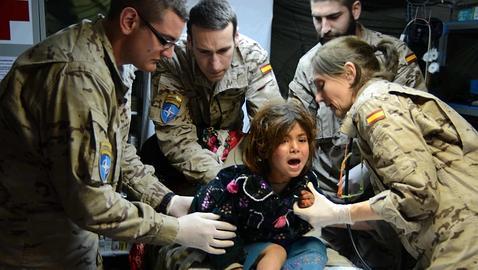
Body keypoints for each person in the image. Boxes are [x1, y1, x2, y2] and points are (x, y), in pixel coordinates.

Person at [0, 0, 238, 269]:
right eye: (165, 40)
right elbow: (91, 203)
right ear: (129, 21)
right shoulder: (77, 77)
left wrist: (168, 201)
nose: (170, 53)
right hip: (32, 251)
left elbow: (117, 152)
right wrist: (176, 230)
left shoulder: (111, 60)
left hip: (69, 241)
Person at [294, 35, 478, 269]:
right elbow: (402, 212)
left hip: (463, 236)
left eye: (321, 85)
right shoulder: (382, 100)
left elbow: (416, 196)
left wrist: (339, 213)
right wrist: (330, 216)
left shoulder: (375, 105)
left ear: (349, 73)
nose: (319, 98)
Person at [288, 0, 426, 268]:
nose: (324, 28)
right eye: (317, 19)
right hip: (327, 200)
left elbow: (416, 134)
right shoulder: (309, 65)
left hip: (381, 204)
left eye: (333, 17)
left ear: (356, 9)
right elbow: (295, 129)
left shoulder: (391, 55)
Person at [148, 0, 282, 195]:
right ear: (190, 42)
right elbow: (177, 140)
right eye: (204, 52)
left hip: (230, 150)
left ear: (236, 38)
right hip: (179, 157)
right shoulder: (173, 60)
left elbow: (272, 125)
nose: (215, 64)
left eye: (223, 51)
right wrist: (225, 182)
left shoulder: (252, 56)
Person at [190, 100, 327, 270]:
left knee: (314, 247)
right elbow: (218, 227)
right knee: (275, 252)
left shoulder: (307, 182)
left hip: (280, 242)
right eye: (284, 141)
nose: (295, 148)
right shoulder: (240, 184)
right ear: (263, 148)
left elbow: (313, 217)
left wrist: (312, 204)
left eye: (302, 140)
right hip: (236, 245)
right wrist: (232, 265)